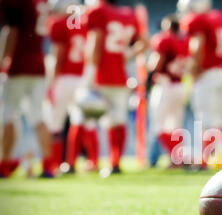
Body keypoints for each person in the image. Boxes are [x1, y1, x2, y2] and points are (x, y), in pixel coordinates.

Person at [83, 0, 148, 175]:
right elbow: (144, 42)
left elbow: (95, 43)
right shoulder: (128, 14)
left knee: (87, 119)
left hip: (101, 74)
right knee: (118, 120)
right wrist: (126, 54)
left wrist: (90, 73)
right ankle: (115, 162)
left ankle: (92, 161)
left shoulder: (97, 11)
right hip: (120, 76)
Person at [0, 0, 53, 178]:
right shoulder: (42, 2)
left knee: (8, 114)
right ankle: (48, 164)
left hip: (19, 65)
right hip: (39, 63)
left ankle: (5, 163)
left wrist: (3, 61)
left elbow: (12, 31)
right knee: (38, 116)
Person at [47, 0, 99, 174]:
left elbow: (58, 54)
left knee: (56, 123)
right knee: (83, 121)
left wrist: (52, 82)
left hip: (65, 78)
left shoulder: (59, 23)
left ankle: (55, 164)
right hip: (83, 78)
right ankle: (89, 161)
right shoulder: (86, 24)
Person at [178, 0, 222, 169]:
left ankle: (209, 159)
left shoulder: (197, 20)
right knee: (217, 120)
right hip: (221, 72)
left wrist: (194, 70)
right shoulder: (218, 18)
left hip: (208, 75)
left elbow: (198, 45)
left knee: (206, 121)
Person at [148, 15, 188, 168]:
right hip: (179, 86)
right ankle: (176, 159)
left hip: (165, 86)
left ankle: (177, 157)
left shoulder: (165, 40)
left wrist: (148, 76)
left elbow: (156, 64)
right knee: (175, 127)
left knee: (158, 126)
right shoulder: (184, 42)